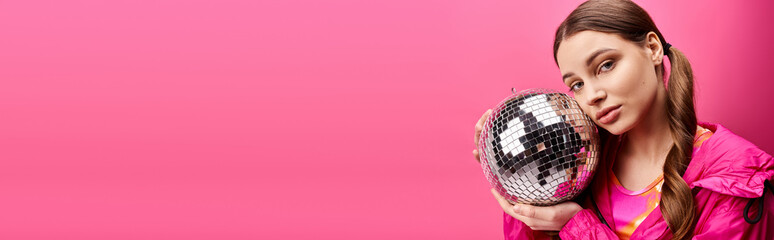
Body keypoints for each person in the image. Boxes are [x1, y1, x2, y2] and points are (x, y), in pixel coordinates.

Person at [471, 0, 774, 239]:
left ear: (653, 49)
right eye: (576, 84)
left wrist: (577, 227)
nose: (592, 95)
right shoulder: (580, 162)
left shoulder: (736, 179)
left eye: (605, 65)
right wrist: (513, 171)